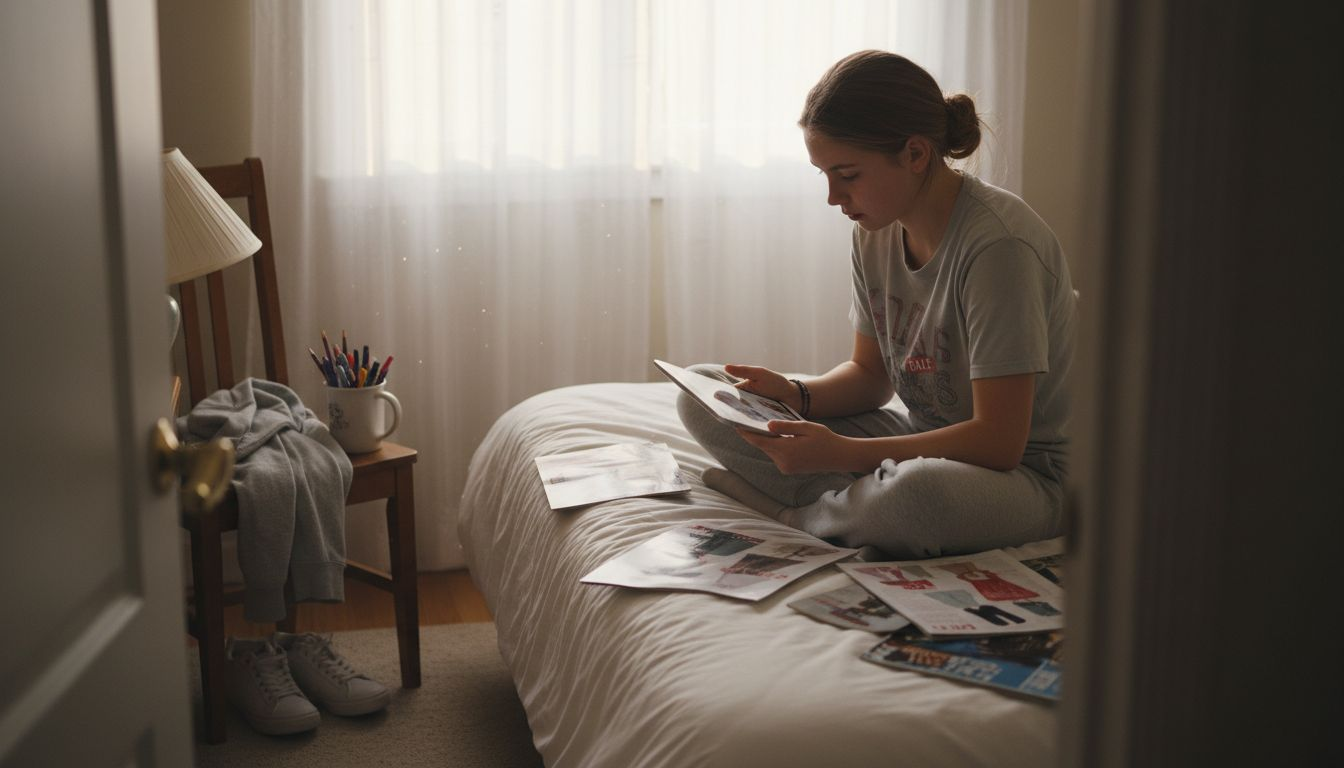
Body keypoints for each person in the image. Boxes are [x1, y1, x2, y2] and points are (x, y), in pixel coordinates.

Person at [676, 50, 1077, 560]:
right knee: (703, 391)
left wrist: (843, 453)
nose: (833, 197)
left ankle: (804, 514)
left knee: (917, 497)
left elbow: (999, 443)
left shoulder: (999, 247)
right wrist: (796, 395)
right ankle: (846, 510)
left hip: (1026, 477)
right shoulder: (875, 230)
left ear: (915, 154)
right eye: (824, 174)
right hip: (922, 437)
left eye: (847, 174)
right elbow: (870, 378)